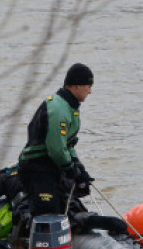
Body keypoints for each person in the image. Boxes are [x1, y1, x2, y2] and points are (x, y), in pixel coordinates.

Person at [17, 63, 95, 221]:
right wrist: (71, 169)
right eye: (88, 85)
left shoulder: (70, 108)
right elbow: (56, 149)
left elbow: (68, 144)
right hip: (37, 166)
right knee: (47, 210)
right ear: (76, 86)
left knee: (61, 205)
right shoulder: (59, 109)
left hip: (50, 166)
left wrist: (78, 166)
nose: (90, 91)